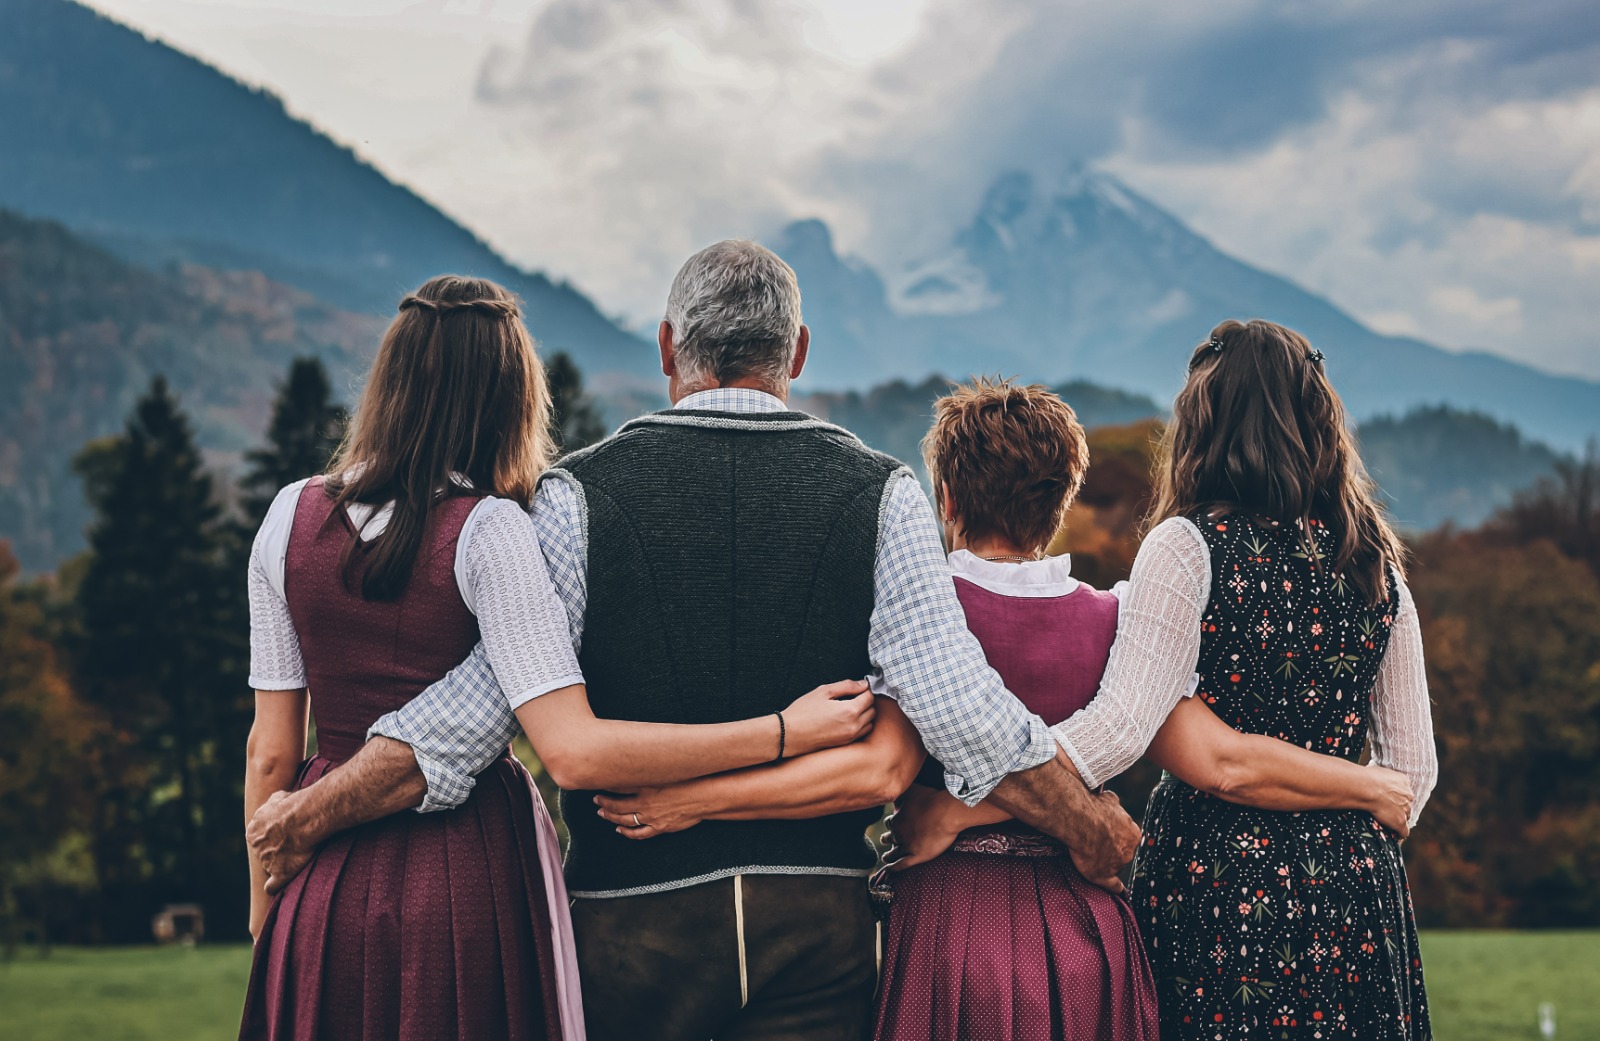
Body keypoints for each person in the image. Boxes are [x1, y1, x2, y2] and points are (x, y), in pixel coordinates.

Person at [246, 242, 1140, 1041]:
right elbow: (960, 703)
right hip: (815, 920)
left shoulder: (574, 497)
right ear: (796, 353)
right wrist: (1087, 822)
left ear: (669, 346)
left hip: (634, 923)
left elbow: (487, 700)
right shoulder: (883, 491)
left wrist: (313, 810)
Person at [607, 379, 1417, 1041]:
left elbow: (875, 768)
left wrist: (698, 798)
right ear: (1062, 501)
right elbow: (1207, 751)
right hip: (1086, 921)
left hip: (950, 923)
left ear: (946, 496)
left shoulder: (917, 617)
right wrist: (1371, 785)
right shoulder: (1118, 618)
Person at [238, 275, 877, 1041]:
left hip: (321, 872)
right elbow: (571, 745)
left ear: (390, 382)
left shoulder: (288, 516)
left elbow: (270, 753)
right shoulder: (493, 531)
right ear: (513, 396)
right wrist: (784, 728)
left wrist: (266, 903)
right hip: (462, 862)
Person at [1032, 320, 1436, 1038]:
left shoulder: (1187, 548)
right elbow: (1414, 779)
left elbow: (1118, 729)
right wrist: (1353, 794)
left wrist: (980, 773)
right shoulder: (1376, 563)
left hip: (1216, 893)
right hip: (1355, 899)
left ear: (1201, 423)